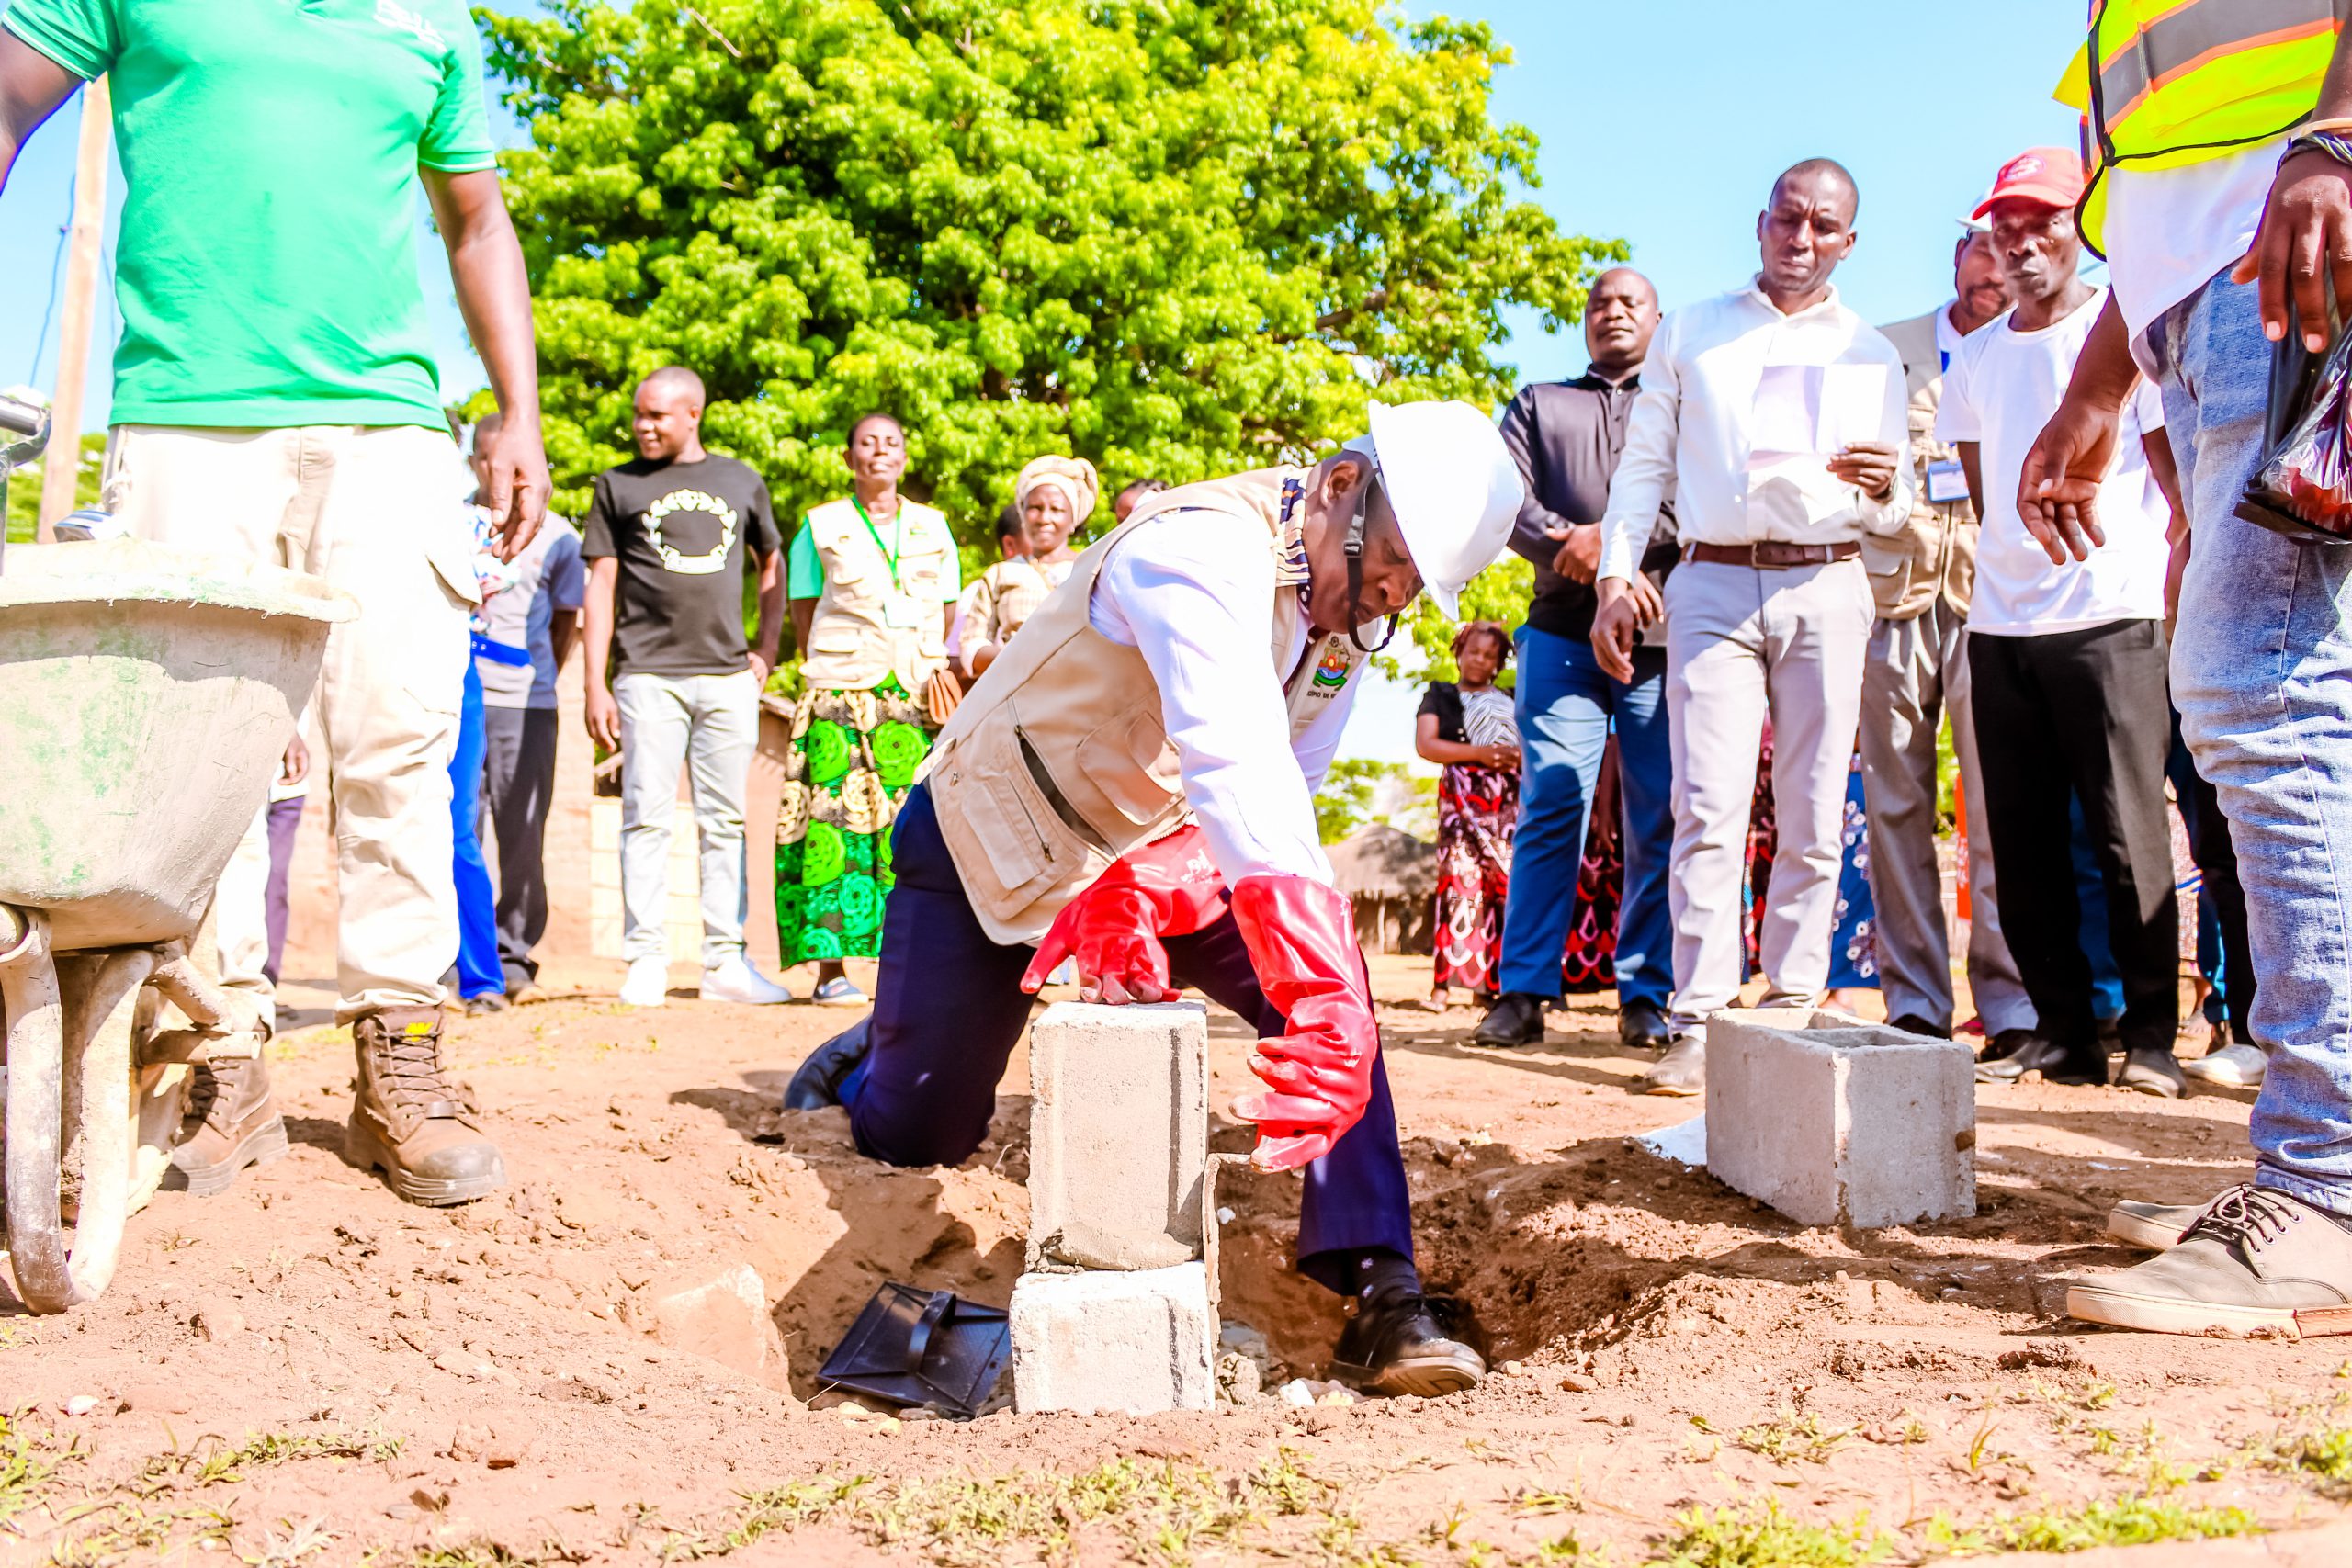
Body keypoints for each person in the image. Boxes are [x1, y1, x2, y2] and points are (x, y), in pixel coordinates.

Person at [777, 400, 1521, 1395]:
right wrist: (1306, 958)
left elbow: (1286, 791)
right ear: (1342, 486)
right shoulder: (1196, 548)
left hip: (1159, 864)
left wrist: (1319, 990)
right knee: (923, 1131)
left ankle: (1382, 1290)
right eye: (1385, 565)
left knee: (1334, 1008)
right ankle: (875, 1053)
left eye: (1410, 588)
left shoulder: (1345, 623)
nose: (1388, 598)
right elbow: (1233, 754)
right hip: (993, 842)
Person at [1, 0, 548, 1205]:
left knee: (402, 741)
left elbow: (477, 217)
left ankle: (401, 1058)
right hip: (191, 416)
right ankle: (222, 1062)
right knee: (202, 763)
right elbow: (8, 100)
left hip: (392, 428)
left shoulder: (430, 22)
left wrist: (520, 406)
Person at [2027, 7, 2352, 1333]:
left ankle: (2327, 1185)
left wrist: (2336, 136)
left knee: (2267, 690)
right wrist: (2106, 382)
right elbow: (2175, 176)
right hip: (2228, 288)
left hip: (2298, 255)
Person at [1591, 160, 1912, 1096]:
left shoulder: (1870, 352)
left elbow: (1893, 514)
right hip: (1712, 584)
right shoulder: (1691, 331)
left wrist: (1885, 487)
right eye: (1787, 219)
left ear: (1848, 242)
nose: (1801, 240)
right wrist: (1617, 574)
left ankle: (1793, 1002)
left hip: (1827, 581)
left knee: (1814, 805)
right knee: (1706, 804)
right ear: (1761, 222)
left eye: (1823, 227)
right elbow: (1643, 467)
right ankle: (1698, 1014)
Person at [1939, 147, 2186, 1096]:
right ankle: (2063, 1034)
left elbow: (2167, 473)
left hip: (2110, 612)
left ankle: (2153, 1039)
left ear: (2078, 223)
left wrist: (2174, 570)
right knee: (2023, 840)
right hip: (2001, 624)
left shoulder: (2127, 334)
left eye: (2040, 218)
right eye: (2003, 221)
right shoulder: (1975, 354)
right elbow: (1981, 486)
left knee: (2128, 838)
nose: (2020, 237)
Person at [1477, 266, 1678, 1053]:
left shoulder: (1678, 405)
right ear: (1584, 319)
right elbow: (1506, 501)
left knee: (1656, 813)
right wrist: (1583, 548)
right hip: (1560, 635)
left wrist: (1617, 543)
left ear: (1658, 319)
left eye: (1632, 302)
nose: (1614, 312)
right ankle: (1523, 990)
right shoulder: (1538, 403)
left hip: (1662, 640)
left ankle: (1647, 994)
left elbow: (1695, 497)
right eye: (1601, 302)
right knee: (1553, 803)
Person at [1861, 230, 2031, 1046]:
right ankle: (1916, 1004)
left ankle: (2008, 1003)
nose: (1997, 267)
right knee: (1895, 804)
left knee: (1996, 808)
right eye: (1985, 247)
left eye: (2014, 251)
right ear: (1958, 254)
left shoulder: (2030, 347)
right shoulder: (1881, 350)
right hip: (1891, 596)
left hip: (1992, 598)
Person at [582, 367, 791, 1011]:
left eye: (658, 417)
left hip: (728, 676)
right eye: (639, 416)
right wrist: (596, 682)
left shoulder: (740, 479)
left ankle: (725, 962)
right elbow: (601, 584)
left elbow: (771, 563)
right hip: (646, 675)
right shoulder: (616, 485)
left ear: (693, 414)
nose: (644, 427)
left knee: (724, 820)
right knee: (644, 816)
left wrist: (767, 648)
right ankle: (645, 958)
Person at [777, 413, 961, 1006]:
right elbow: (803, 609)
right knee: (831, 827)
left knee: (913, 831)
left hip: (910, 699)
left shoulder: (934, 527)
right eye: (866, 443)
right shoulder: (820, 526)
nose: (879, 452)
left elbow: (949, 612)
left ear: (905, 456)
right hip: (838, 694)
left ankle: (911, 968)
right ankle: (830, 974)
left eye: (891, 443)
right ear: (849, 456)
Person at [470, 411, 583, 1004]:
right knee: (458, 828)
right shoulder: (452, 524)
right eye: (492, 462)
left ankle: (513, 958)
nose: (506, 477)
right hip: (456, 700)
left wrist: (543, 680)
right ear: (475, 463)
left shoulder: (560, 536)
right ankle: (459, 959)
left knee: (520, 832)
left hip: (527, 704)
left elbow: (567, 621)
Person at [1417, 622, 1521, 1008]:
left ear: (1499, 663)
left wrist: (1514, 760)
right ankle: (1444, 986)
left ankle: (1489, 988)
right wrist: (1480, 755)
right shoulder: (1440, 695)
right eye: (1473, 651)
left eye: (1490, 655)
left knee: (1505, 889)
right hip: (1461, 804)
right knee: (1460, 886)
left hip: (1508, 804)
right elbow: (1427, 745)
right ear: (1459, 652)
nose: (1480, 660)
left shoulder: (1512, 697)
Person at [960, 455, 1094, 679]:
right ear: (1023, 515)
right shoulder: (1000, 573)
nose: (1044, 518)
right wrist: (1017, 658)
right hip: (1015, 694)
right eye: (1035, 507)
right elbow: (971, 645)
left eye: (1057, 509)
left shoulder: (1091, 570)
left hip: (1079, 692)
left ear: (1073, 520)